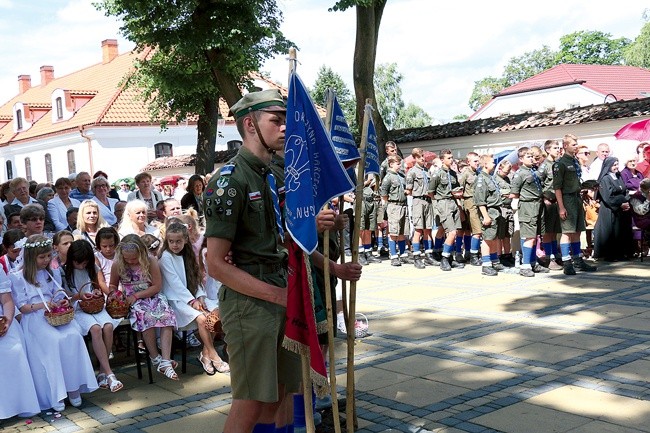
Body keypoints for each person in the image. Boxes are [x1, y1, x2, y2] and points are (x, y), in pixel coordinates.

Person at [204, 89, 301, 433]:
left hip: (277, 289)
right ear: (249, 124)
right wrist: (276, 295)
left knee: (277, 394)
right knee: (250, 400)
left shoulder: (270, 174)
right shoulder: (231, 180)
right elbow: (215, 263)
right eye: (276, 120)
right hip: (250, 303)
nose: (285, 127)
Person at [9, 235, 98, 412]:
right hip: (34, 316)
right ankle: (55, 393)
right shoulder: (18, 276)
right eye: (41, 257)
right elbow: (22, 306)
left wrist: (62, 301)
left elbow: (57, 292)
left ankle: (73, 387)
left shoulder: (51, 271)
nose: (46, 260)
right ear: (30, 257)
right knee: (53, 341)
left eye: (48, 256)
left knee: (73, 335)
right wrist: (42, 305)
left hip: (55, 313)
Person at [159, 222, 229, 374]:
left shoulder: (188, 254)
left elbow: (195, 279)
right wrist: (192, 301)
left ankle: (205, 354)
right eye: (171, 241)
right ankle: (214, 355)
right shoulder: (165, 257)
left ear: (185, 240)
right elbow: (175, 284)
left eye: (178, 241)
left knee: (217, 314)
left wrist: (200, 296)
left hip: (192, 297)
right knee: (203, 319)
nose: (175, 245)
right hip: (176, 301)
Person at [109, 234, 178, 380]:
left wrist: (137, 295)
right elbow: (113, 284)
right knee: (146, 316)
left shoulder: (150, 260)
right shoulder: (117, 263)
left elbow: (157, 286)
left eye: (134, 258)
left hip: (150, 294)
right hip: (131, 300)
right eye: (127, 259)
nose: (130, 261)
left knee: (166, 314)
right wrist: (114, 294)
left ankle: (165, 360)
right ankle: (154, 357)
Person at [63, 240, 123, 392]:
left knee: (108, 326)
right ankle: (109, 373)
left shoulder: (92, 267)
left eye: (85, 263)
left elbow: (98, 284)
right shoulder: (65, 271)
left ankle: (103, 371)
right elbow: (65, 295)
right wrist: (79, 295)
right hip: (78, 308)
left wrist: (98, 292)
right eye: (79, 263)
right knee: (96, 329)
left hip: (94, 305)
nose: (82, 266)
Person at [553, 134, 597, 275]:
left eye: (576, 143)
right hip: (566, 199)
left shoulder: (575, 162)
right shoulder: (560, 164)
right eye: (573, 144)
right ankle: (567, 263)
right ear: (565, 146)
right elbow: (557, 187)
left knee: (577, 231)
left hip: (577, 198)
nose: (576, 146)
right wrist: (561, 207)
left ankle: (578, 260)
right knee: (567, 232)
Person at [0, 269, 41, 419]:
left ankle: (19, 404)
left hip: (2, 318)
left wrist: (7, 321)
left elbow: (7, 300)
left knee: (14, 349)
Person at [510, 147, 549, 277]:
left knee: (535, 235)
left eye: (532, 156)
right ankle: (525, 265)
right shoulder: (519, 174)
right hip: (528, 206)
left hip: (538, 204)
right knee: (529, 236)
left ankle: (532, 262)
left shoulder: (534, 171)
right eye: (528, 156)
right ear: (521, 159)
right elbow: (514, 192)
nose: (532, 159)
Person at [428, 149, 465, 271]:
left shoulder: (453, 173)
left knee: (444, 229)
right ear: (442, 160)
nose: (451, 159)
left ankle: (444, 254)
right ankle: (444, 258)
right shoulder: (437, 174)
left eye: (452, 157)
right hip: (443, 203)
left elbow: (455, 188)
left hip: (453, 202)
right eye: (448, 158)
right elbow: (431, 192)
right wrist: (439, 202)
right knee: (452, 232)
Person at [592, 157, 634, 261]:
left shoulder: (618, 175)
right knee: (611, 232)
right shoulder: (605, 179)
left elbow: (625, 190)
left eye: (617, 164)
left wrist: (626, 201)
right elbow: (607, 196)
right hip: (610, 210)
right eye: (614, 165)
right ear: (608, 166)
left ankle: (621, 253)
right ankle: (610, 255)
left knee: (621, 231)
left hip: (621, 209)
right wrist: (620, 204)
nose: (616, 167)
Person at [473, 154, 505, 276]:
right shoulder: (481, 179)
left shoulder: (490, 177)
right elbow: (480, 200)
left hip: (495, 211)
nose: (494, 164)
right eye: (492, 162)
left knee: (493, 238)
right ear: (485, 164)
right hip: (489, 211)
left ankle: (494, 260)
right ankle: (486, 265)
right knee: (487, 239)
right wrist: (485, 216)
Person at [405, 148, 435, 267]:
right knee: (418, 229)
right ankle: (416, 256)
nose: (422, 158)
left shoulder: (427, 171)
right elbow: (409, 190)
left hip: (428, 201)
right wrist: (420, 193)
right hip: (418, 200)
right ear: (415, 158)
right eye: (419, 157)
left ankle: (428, 255)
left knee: (428, 229)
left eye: (423, 156)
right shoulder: (412, 172)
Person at [381, 155, 411, 267]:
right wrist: (387, 209)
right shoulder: (388, 178)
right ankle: (393, 255)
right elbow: (384, 194)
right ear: (391, 164)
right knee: (394, 231)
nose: (400, 166)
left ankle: (402, 254)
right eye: (398, 164)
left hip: (403, 205)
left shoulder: (401, 176)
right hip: (394, 206)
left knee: (403, 231)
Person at [538, 139, 563, 270]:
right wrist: (543, 197)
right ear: (548, 150)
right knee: (547, 232)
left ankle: (555, 254)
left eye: (559, 148)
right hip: (548, 202)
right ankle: (549, 258)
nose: (558, 150)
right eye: (555, 148)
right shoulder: (544, 166)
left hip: (557, 201)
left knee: (554, 231)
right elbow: (538, 183)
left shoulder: (557, 164)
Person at [458, 152, 482, 266]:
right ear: (468, 162)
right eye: (475, 161)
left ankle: (468, 252)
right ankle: (473, 256)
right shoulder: (465, 174)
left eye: (478, 161)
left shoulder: (478, 173)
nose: (477, 163)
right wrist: (460, 207)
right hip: (469, 202)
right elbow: (458, 191)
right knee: (477, 230)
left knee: (469, 230)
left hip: (477, 202)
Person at [495, 161, 515, 267]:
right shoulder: (495, 179)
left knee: (508, 234)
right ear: (500, 168)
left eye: (509, 171)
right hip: (501, 208)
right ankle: (499, 255)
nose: (507, 173)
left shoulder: (508, 179)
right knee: (500, 234)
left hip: (509, 208)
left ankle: (507, 254)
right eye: (506, 170)